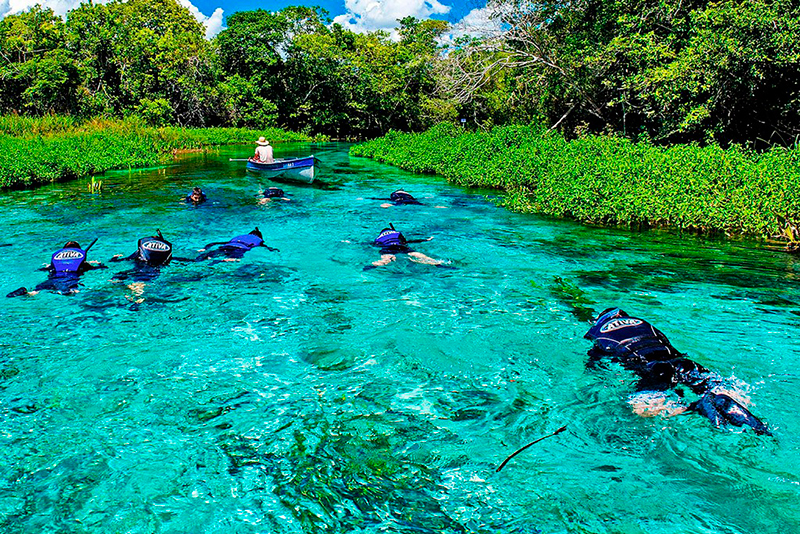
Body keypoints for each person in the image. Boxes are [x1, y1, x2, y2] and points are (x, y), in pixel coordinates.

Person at [584, 307, 771, 435]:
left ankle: (694, 408)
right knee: (714, 385)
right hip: (683, 362)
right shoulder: (641, 322)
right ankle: (723, 399)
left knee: (639, 409)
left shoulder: (596, 332)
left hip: (652, 368)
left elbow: (595, 366)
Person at [6, 239, 106, 297]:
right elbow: (99, 268)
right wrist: (100, 264)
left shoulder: (54, 263)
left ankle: (26, 292)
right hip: (70, 279)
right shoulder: (84, 264)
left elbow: (45, 269)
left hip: (52, 279)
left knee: (36, 292)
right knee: (73, 292)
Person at [365, 223, 447, 270]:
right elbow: (406, 242)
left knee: (387, 259)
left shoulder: (378, 238)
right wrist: (425, 240)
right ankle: (436, 263)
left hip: (388, 247)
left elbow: (373, 245)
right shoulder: (397, 233)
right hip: (399, 245)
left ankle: (375, 265)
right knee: (416, 254)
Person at [195, 227, 278, 262]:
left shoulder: (239, 237)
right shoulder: (259, 240)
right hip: (240, 249)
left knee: (209, 255)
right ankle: (231, 259)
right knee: (236, 258)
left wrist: (205, 248)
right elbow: (267, 247)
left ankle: (206, 256)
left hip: (227, 246)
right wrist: (273, 250)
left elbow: (214, 243)